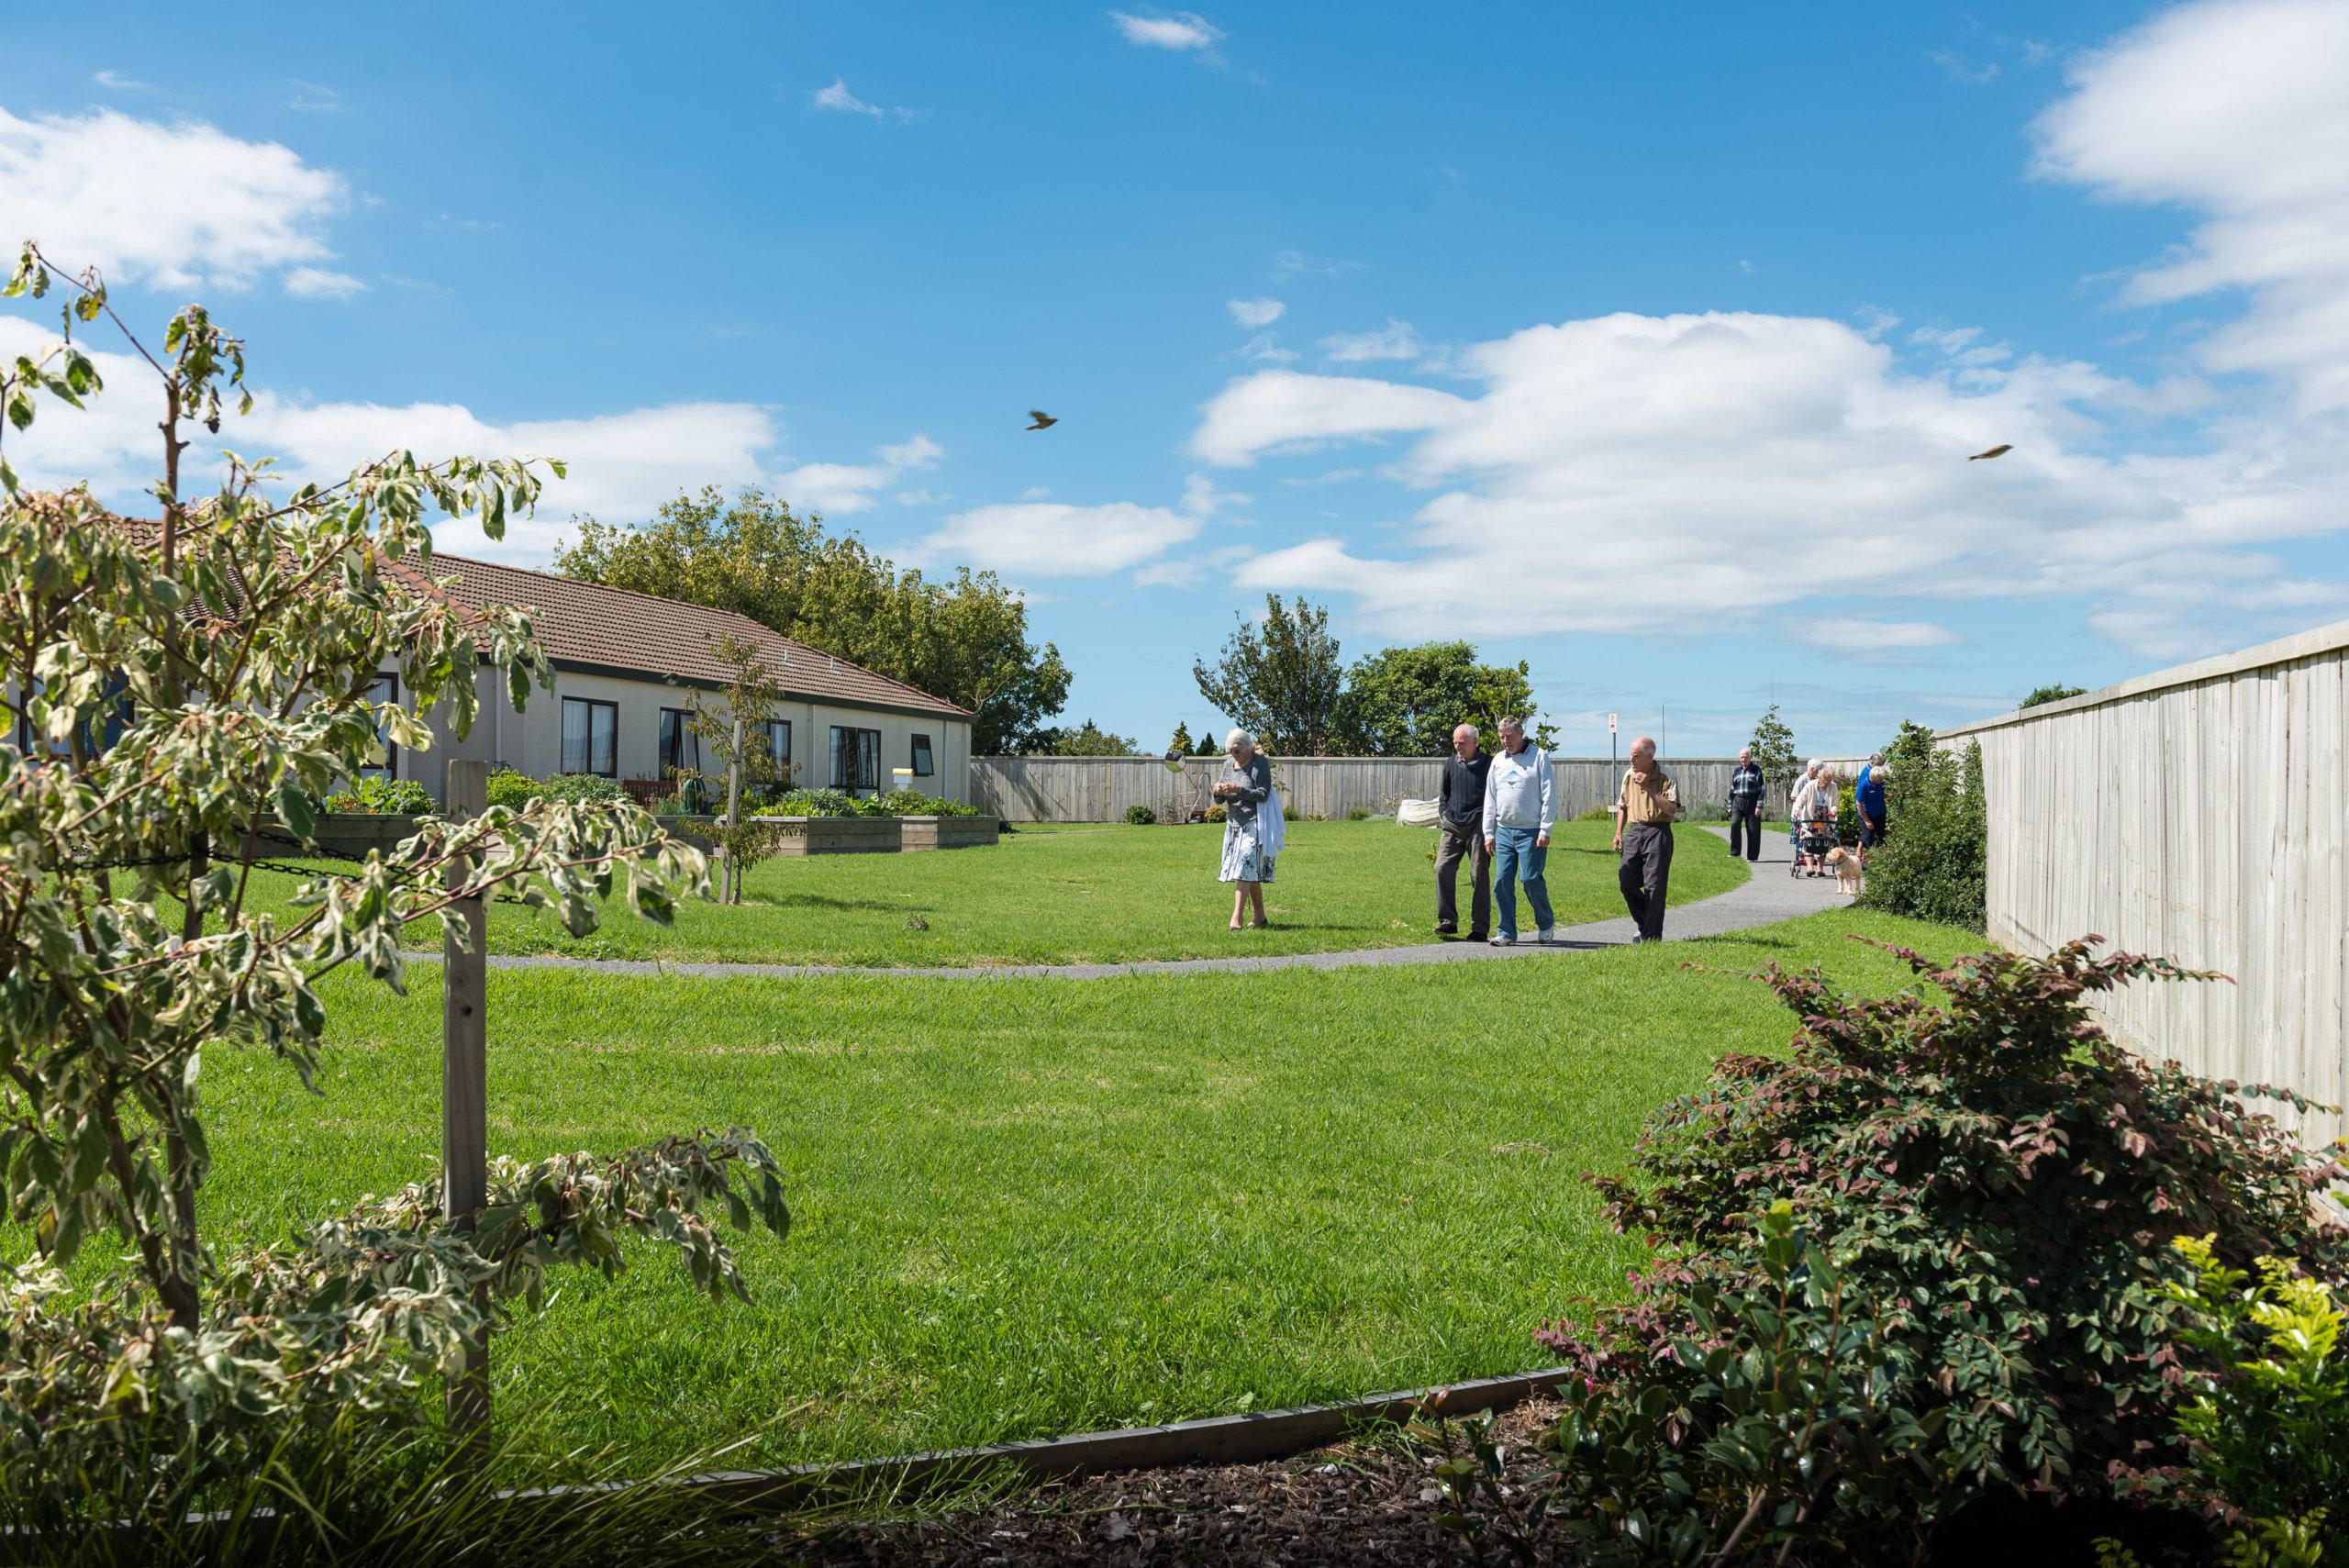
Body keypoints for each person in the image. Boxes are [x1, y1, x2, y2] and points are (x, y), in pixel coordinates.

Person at [1479, 716, 1556, 946]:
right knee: (1501, 881)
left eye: (1509, 736)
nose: (1505, 741)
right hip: (1504, 831)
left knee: (1530, 878)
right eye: (1502, 737)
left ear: (1521, 733)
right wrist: (1489, 832)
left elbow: (1549, 794)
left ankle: (1545, 923)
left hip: (1531, 831)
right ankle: (1506, 932)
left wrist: (1545, 828)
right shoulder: (1498, 761)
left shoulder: (1539, 756)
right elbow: (1490, 798)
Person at [1612, 736, 1680, 942]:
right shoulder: (1628, 774)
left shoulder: (1666, 775)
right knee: (1626, 881)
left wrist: (1650, 788)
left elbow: (1671, 810)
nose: (1631, 760)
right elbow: (1622, 805)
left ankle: (1651, 936)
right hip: (1634, 831)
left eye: (1636, 756)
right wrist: (1618, 833)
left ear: (1649, 756)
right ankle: (1645, 924)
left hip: (1658, 831)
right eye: (1630, 756)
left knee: (1654, 886)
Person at [1213, 728, 1275, 929]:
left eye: (1237, 751)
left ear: (1248, 747)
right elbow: (1220, 799)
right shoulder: (1227, 765)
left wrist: (1238, 789)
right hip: (1233, 824)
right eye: (1231, 752)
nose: (1234, 755)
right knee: (1250, 871)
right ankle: (1260, 917)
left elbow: (1263, 794)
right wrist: (1218, 791)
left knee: (1243, 869)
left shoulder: (1259, 763)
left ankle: (1236, 918)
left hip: (1255, 822)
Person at [1434, 722, 1491, 939]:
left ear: (1475, 742)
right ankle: (1448, 922)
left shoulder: (1489, 764)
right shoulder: (1451, 763)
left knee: (1479, 875)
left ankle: (1480, 928)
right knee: (1441, 868)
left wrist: (1488, 823)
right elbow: (1445, 794)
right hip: (1453, 825)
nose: (1458, 747)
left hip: (1478, 825)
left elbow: (1495, 795)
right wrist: (1444, 816)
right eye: (1455, 743)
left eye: (1462, 743)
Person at [1727, 746, 1765, 862]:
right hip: (1738, 801)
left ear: (1750, 757)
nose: (1743, 759)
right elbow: (1732, 789)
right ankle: (1735, 852)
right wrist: (1730, 805)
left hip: (1752, 801)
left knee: (1753, 829)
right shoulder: (1737, 771)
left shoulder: (1756, 770)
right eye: (1742, 757)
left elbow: (1762, 789)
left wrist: (1759, 806)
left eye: (1746, 757)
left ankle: (1752, 856)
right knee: (1734, 824)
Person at [1854, 753, 1888, 848]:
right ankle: (1863, 856)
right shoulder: (1866, 776)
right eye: (1877, 765)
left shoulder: (1879, 775)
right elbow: (1859, 801)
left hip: (1879, 811)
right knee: (1868, 835)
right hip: (1866, 810)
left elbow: (1880, 791)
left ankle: (1862, 852)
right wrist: (1866, 819)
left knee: (1880, 836)